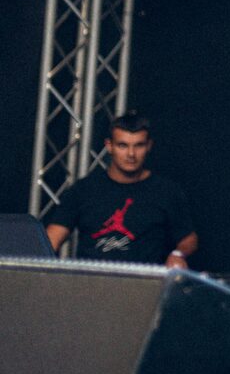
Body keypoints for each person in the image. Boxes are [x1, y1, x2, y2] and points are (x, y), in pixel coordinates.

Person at [43, 113, 197, 268]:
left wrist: (178, 254)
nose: (131, 154)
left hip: (145, 280)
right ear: (109, 146)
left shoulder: (166, 191)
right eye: (122, 145)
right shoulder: (83, 190)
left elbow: (188, 239)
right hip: (91, 279)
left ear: (149, 146)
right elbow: (52, 238)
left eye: (139, 145)